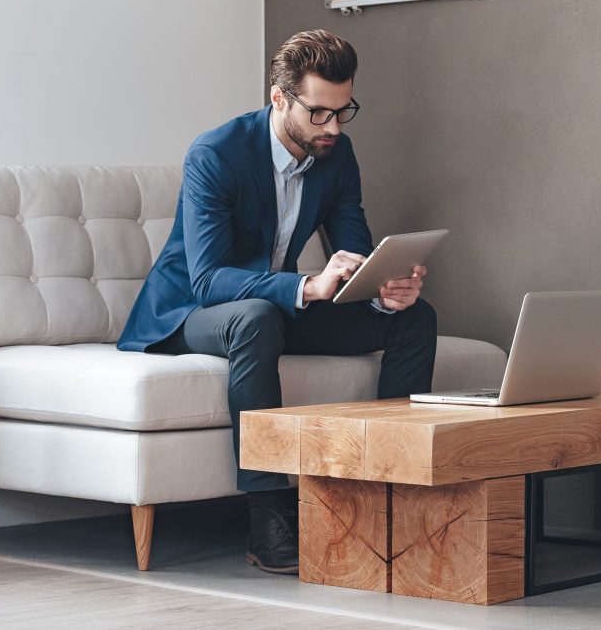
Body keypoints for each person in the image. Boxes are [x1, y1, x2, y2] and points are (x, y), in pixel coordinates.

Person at [118, 29, 437, 574]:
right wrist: (305, 287)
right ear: (279, 98)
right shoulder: (216, 153)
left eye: (343, 111)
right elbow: (210, 280)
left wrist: (382, 290)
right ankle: (268, 513)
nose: (333, 127)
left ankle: (390, 494)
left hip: (273, 309)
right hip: (189, 314)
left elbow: (353, 246)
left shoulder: (337, 153)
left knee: (415, 319)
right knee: (257, 317)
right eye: (319, 113)